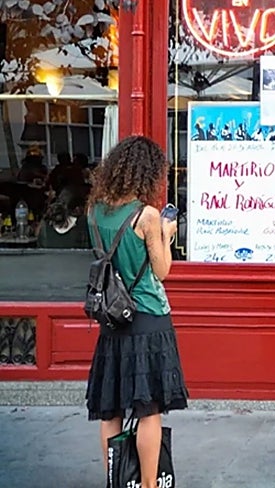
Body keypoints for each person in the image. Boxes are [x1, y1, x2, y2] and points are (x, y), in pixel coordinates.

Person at [86, 135, 188, 488]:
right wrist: (167, 234)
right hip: (147, 317)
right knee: (149, 408)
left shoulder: (94, 211)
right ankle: (147, 483)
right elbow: (162, 270)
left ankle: (115, 479)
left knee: (110, 409)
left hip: (112, 319)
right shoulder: (147, 215)